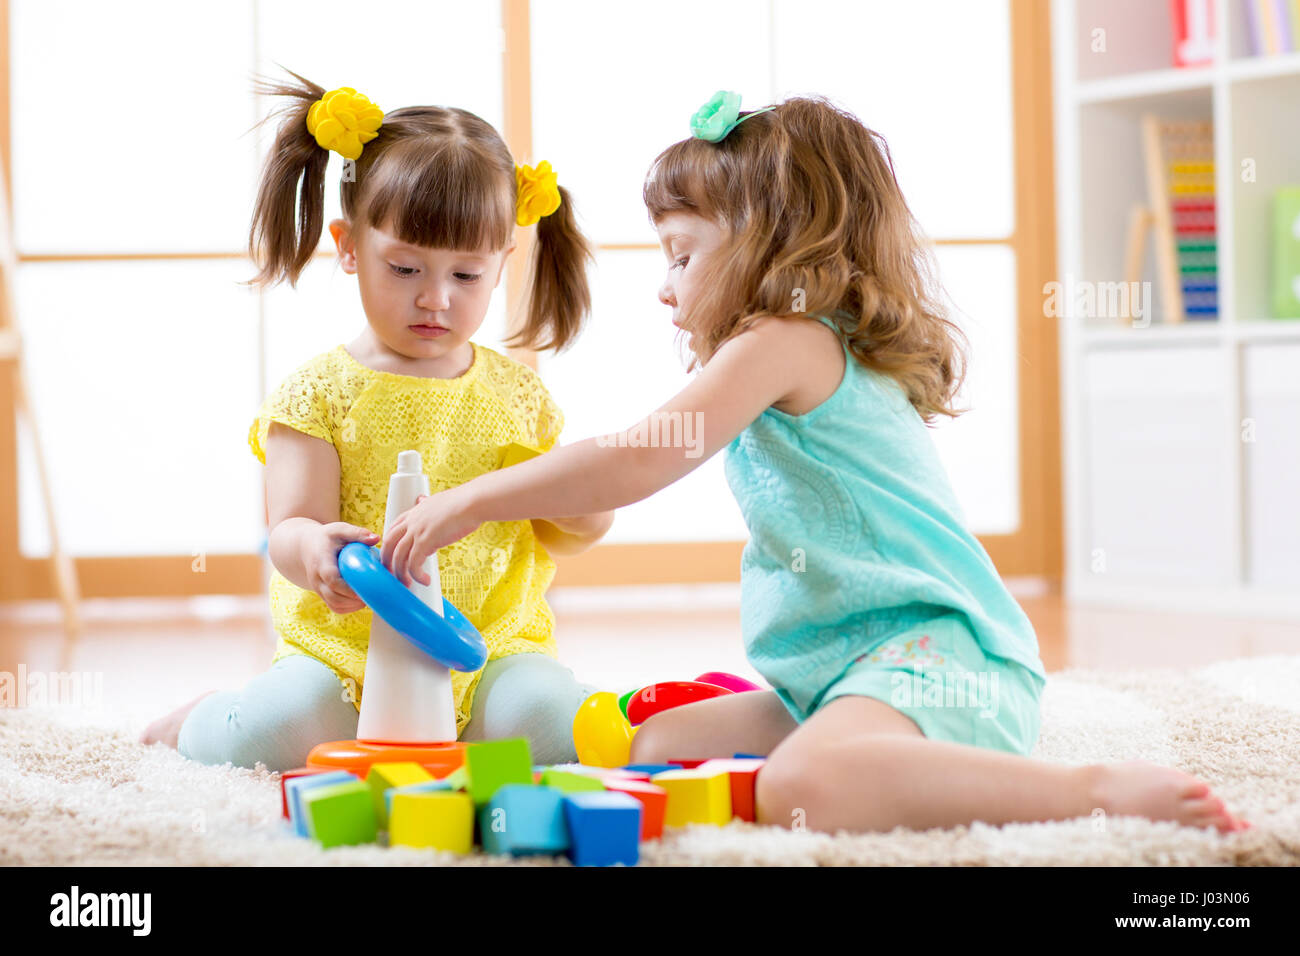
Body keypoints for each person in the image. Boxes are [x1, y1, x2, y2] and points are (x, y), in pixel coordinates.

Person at [377, 91, 1251, 835]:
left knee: (804, 787)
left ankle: (1089, 791)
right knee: (658, 749)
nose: (665, 284)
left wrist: (476, 500)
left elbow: (636, 460)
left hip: (941, 661)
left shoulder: (785, 340)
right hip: (839, 675)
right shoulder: (789, 346)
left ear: (770, 242)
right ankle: (871, 757)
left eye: (682, 253)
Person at [139, 70, 611, 771]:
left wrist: (577, 511)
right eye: (405, 268)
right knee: (276, 733)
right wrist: (316, 555)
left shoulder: (519, 396)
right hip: (346, 659)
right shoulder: (319, 395)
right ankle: (199, 722)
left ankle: (487, 732)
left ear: (504, 262)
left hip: (487, 652)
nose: (435, 300)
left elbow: (577, 528)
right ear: (349, 245)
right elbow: (290, 526)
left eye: (465, 276)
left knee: (553, 726)